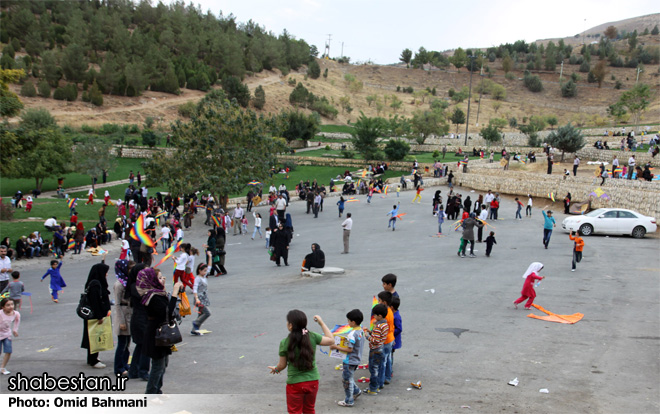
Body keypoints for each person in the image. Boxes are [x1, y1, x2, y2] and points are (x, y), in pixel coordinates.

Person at [268, 310, 334, 414]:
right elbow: (331, 340)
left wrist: (276, 369)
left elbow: (282, 365)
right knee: (309, 409)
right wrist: (321, 323)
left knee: (295, 411)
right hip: (313, 381)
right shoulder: (312, 336)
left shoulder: (285, 342)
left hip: (295, 384)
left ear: (290, 325)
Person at [137, 267, 183, 394]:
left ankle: (158, 390)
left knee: (163, 365)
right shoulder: (152, 296)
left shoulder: (158, 293)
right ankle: (151, 393)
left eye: (163, 277)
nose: (163, 279)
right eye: (159, 277)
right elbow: (166, 313)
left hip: (161, 333)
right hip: (156, 334)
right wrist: (174, 293)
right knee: (158, 366)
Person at [330, 309, 365, 407]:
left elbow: (349, 349)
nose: (347, 322)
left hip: (349, 360)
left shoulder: (351, 334)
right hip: (356, 359)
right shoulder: (361, 331)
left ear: (353, 322)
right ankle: (356, 391)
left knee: (347, 381)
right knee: (349, 378)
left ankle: (349, 401)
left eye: (348, 321)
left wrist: (336, 347)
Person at [81, 260, 111, 369]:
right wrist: (99, 316)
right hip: (95, 316)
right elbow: (95, 302)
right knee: (95, 337)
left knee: (93, 336)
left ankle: (92, 357)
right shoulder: (95, 284)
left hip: (94, 315)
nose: (106, 274)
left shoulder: (95, 282)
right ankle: (93, 359)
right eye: (105, 272)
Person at [363, 304, 389, 395]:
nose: (373, 316)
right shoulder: (385, 324)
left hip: (375, 350)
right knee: (378, 368)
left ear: (380, 316)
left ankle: (373, 388)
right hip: (381, 349)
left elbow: (375, 340)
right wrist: (370, 331)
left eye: (375, 315)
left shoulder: (378, 327)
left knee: (373, 370)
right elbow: (378, 335)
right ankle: (376, 386)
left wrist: (366, 335)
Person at [113, 259, 133, 378]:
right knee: (122, 343)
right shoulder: (119, 284)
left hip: (130, 313)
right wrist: (121, 321)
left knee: (127, 343)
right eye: (129, 269)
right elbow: (117, 304)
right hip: (123, 315)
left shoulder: (128, 281)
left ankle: (125, 364)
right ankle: (118, 367)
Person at [0, 297, 20, 375]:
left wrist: (15, 329)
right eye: (8, 305)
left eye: (12, 304)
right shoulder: (0, 313)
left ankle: (3, 367)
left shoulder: (16, 313)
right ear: (3, 307)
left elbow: (17, 321)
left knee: (8, 351)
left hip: (7, 334)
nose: (11, 306)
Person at [191, 263, 211, 335]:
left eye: (206, 271)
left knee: (201, 314)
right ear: (199, 270)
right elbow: (195, 289)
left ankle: (194, 330)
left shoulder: (204, 277)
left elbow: (209, 267)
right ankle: (196, 323)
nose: (206, 272)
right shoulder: (198, 278)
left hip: (204, 298)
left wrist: (210, 256)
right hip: (199, 299)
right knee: (207, 313)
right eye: (204, 271)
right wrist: (196, 299)